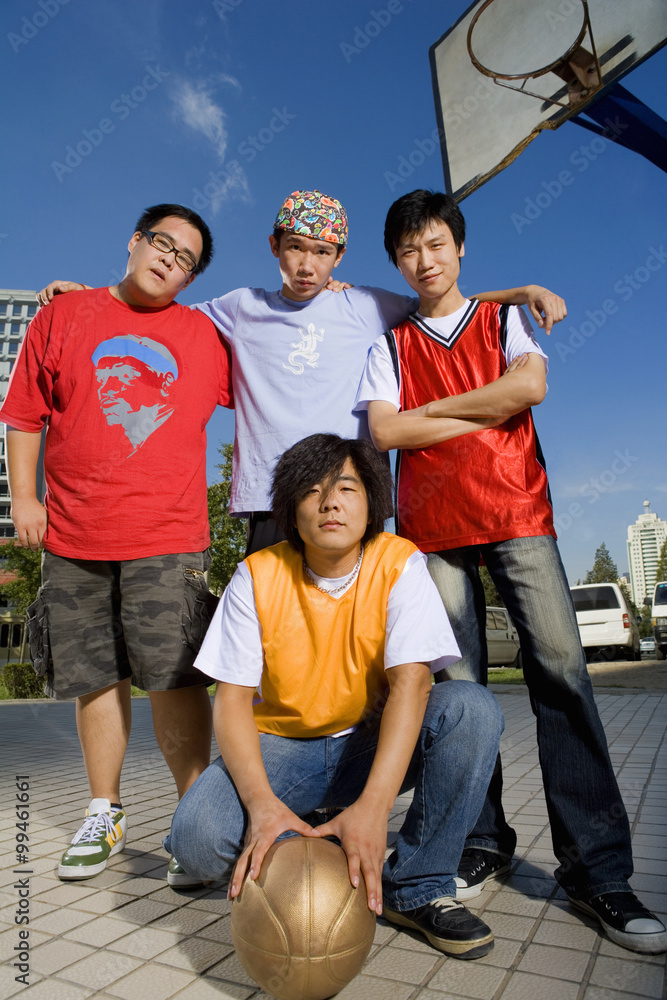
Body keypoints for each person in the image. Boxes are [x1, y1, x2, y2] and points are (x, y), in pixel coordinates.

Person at [354, 188, 667, 955]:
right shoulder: (388, 346)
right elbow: (386, 429)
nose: (422, 261)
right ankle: (480, 840)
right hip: (430, 528)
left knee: (561, 676)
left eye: (434, 244)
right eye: (406, 250)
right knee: (460, 694)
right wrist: (482, 404)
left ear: (459, 250)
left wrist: (438, 415)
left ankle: (597, 871)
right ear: (395, 260)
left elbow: (529, 387)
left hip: (517, 511)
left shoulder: (503, 318)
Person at [38, 189, 566, 555]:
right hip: (271, 494)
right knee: (274, 633)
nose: (307, 266)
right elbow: (160, 312)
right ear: (275, 247)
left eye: (321, 253)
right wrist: (91, 295)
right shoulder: (242, 306)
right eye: (295, 249)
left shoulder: (365, 305)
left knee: (359, 635)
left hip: (353, 489)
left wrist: (521, 293)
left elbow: (445, 301)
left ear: (338, 257)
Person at [165, 433, 505, 960]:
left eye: (347, 487)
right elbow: (230, 700)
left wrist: (374, 809)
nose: (330, 502)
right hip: (286, 747)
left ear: (370, 502)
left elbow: (414, 683)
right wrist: (261, 806)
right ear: (289, 510)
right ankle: (313, 841)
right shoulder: (256, 574)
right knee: (196, 842)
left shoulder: (399, 562)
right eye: (313, 491)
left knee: (471, 709)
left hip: (369, 742)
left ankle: (415, 887)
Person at [1, 205, 233, 886]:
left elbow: (282, 354)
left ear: (190, 277)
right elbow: (22, 414)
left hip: (167, 535)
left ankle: (195, 819)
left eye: (186, 257)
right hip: (74, 533)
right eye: (162, 243)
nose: (170, 259)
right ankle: (104, 810)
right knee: (94, 675)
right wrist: (23, 499)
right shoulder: (62, 316)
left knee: (173, 676)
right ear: (134, 243)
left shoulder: (203, 336)